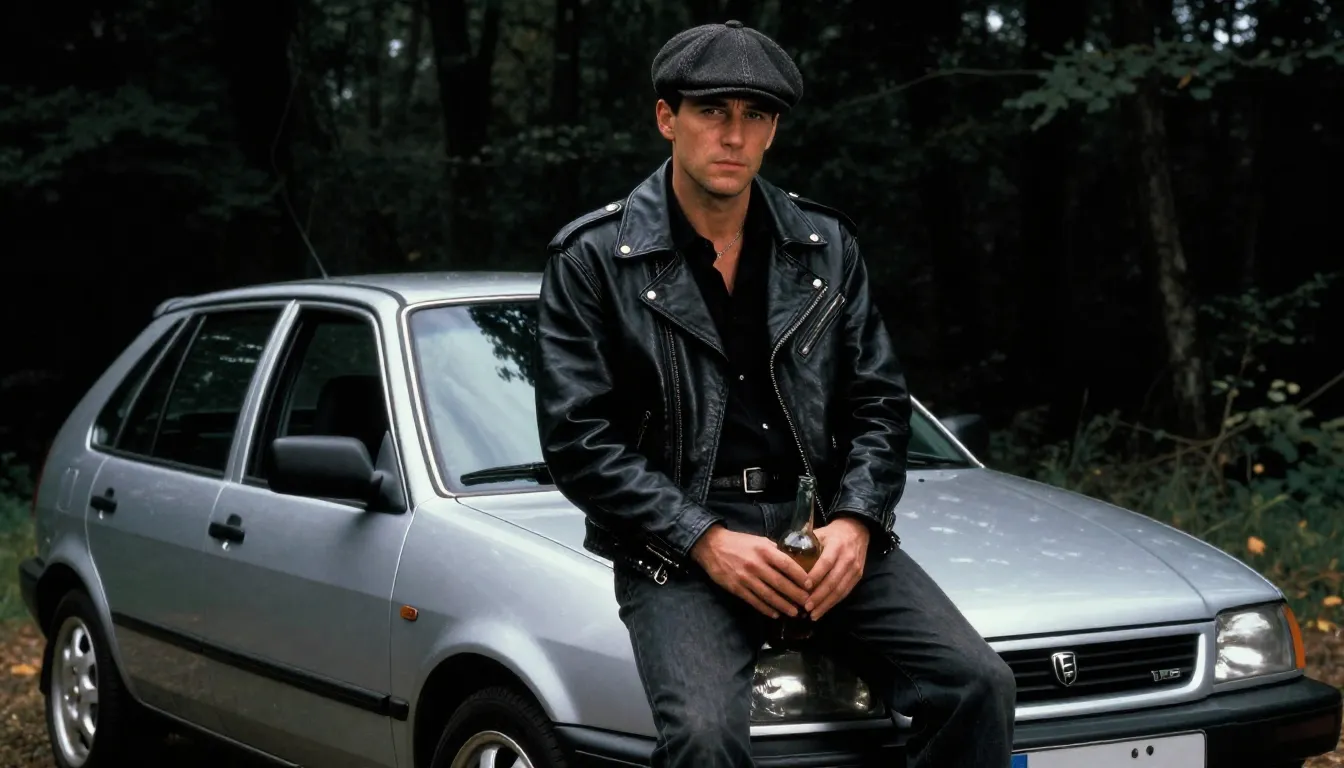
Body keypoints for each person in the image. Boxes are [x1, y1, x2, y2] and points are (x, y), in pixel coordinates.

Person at [533, 19, 1016, 768]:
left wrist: (857, 521)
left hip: (816, 529)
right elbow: (578, 440)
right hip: (680, 547)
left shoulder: (824, 246)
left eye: (754, 115)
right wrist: (703, 537)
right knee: (703, 739)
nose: (734, 135)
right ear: (666, 118)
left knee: (978, 684)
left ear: (773, 130)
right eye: (711, 111)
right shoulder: (593, 259)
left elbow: (879, 403)